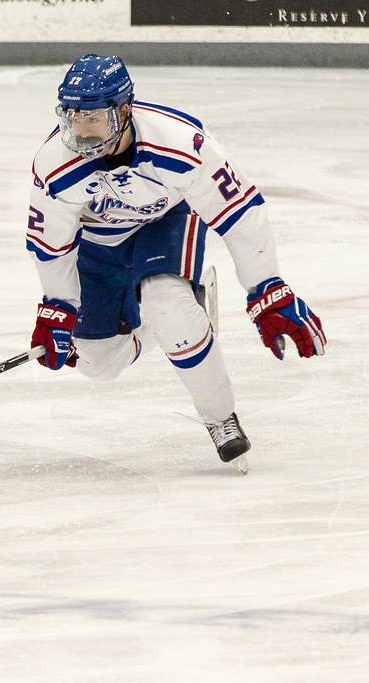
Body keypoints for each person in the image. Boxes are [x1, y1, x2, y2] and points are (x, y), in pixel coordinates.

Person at [25, 54, 325, 470]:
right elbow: (51, 242)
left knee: (167, 303)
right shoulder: (56, 163)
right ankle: (168, 318)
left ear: (123, 110)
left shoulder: (180, 144)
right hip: (99, 244)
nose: (80, 132)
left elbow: (239, 211)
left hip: (164, 222)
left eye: (93, 119)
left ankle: (220, 417)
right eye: (72, 117)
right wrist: (58, 305)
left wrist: (267, 288)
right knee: (97, 363)